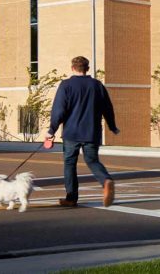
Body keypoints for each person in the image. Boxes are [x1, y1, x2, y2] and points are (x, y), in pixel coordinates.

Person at [45, 56, 119, 207]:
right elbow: (107, 108)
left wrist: (51, 130)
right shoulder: (97, 85)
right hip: (92, 132)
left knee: (69, 164)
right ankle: (106, 180)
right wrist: (112, 126)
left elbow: (59, 110)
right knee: (92, 160)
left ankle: (71, 198)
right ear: (87, 69)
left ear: (72, 68)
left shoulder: (66, 85)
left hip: (71, 133)